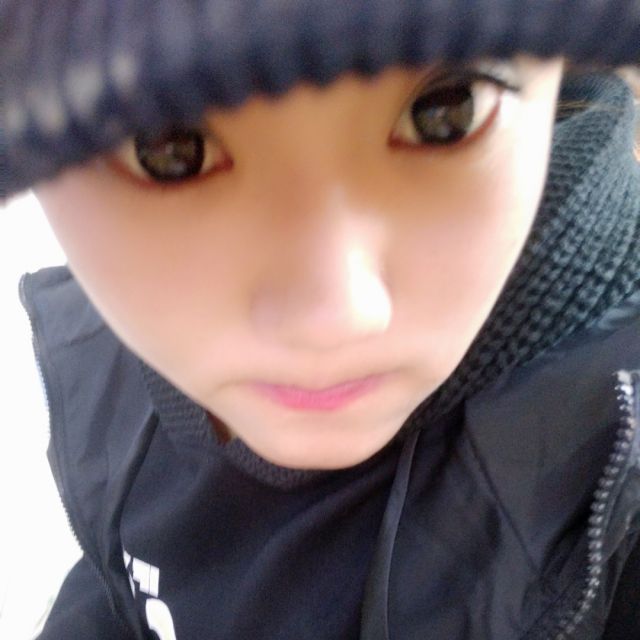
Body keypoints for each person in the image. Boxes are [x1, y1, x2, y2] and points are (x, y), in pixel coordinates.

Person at [3, 1, 640, 638]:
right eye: (171, 151)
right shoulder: (106, 363)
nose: (332, 320)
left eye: (444, 115)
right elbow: (119, 584)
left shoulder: (616, 486)